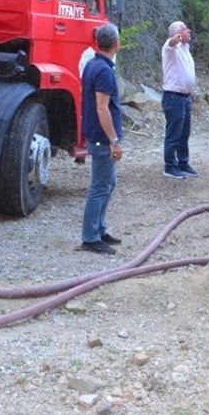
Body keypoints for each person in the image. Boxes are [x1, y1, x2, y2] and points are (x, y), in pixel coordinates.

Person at [80, 23, 124, 255]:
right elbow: (102, 108)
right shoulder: (104, 70)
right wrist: (113, 140)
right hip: (101, 138)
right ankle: (90, 237)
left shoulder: (92, 64)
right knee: (100, 186)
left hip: (97, 136)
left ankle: (99, 228)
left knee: (109, 183)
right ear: (116, 44)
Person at [161, 20, 198, 179]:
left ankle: (183, 162)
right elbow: (171, 43)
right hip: (173, 97)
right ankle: (170, 166)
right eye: (184, 29)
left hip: (184, 97)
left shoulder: (185, 49)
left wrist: (191, 92)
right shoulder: (170, 48)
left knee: (184, 133)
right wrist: (176, 39)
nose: (188, 30)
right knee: (174, 134)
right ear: (177, 34)